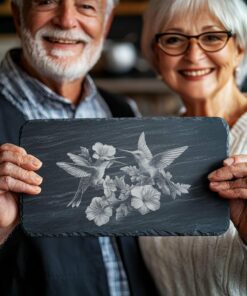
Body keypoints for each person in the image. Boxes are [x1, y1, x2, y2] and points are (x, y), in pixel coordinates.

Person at [0, 0, 158, 295]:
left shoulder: (123, 112)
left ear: (106, 24)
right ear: (18, 16)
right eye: (46, 2)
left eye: (86, 6)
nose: (66, 20)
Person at [140, 0, 247, 295]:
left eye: (212, 37)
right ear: (156, 57)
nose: (194, 54)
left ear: (240, 49)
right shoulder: (154, 141)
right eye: (174, 39)